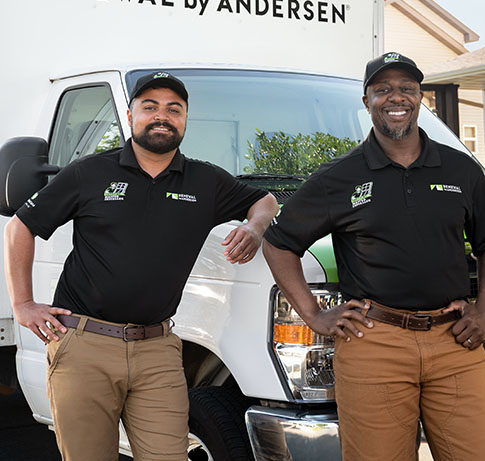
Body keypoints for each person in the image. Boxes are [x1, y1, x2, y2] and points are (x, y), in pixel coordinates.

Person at [4, 72, 279, 461]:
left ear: (185, 119)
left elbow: (265, 200)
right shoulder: (90, 172)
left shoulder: (205, 180)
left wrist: (254, 227)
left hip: (159, 351)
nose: (161, 116)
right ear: (132, 113)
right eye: (150, 107)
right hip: (85, 346)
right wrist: (22, 304)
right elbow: (20, 228)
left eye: (174, 109)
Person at [262, 52, 485, 461]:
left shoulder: (459, 169)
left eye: (407, 89)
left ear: (420, 98)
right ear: (367, 101)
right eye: (383, 90)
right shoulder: (337, 177)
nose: (396, 98)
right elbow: (279, 242)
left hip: (454, 343)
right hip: (373, 343)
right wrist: (313, 314)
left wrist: (484, 311)